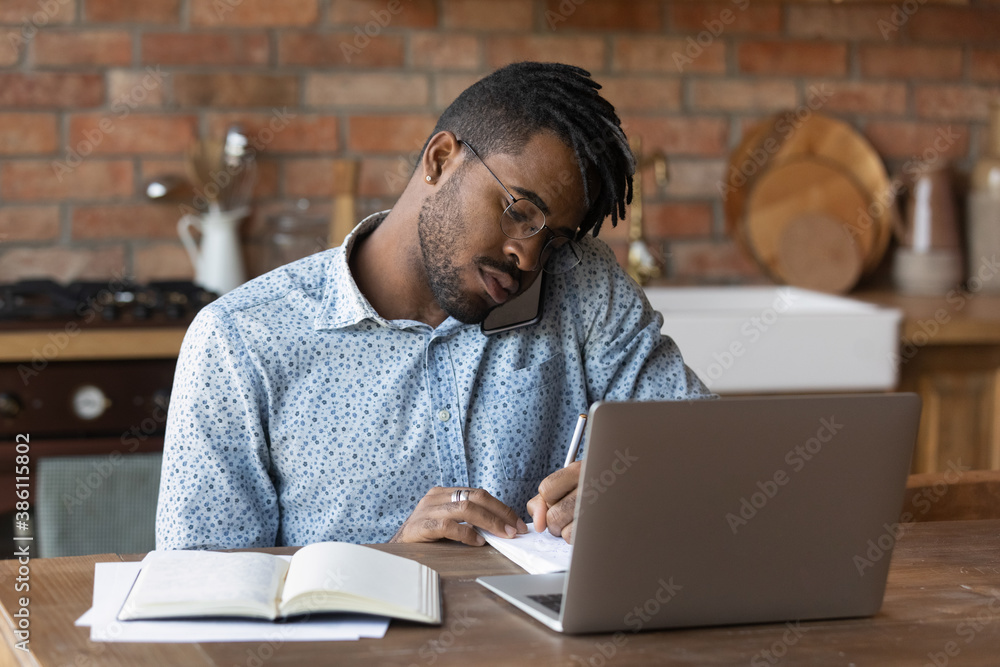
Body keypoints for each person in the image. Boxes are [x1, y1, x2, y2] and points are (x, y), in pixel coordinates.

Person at [155, 61, 711, 551]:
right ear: (441, 159)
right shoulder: (240, 339)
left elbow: (713, 452)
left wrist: (639, 488)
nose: (528, 256)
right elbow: (201, 596)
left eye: (555, 239)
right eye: (520, 211)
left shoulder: (583, 284)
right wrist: (387, 564)